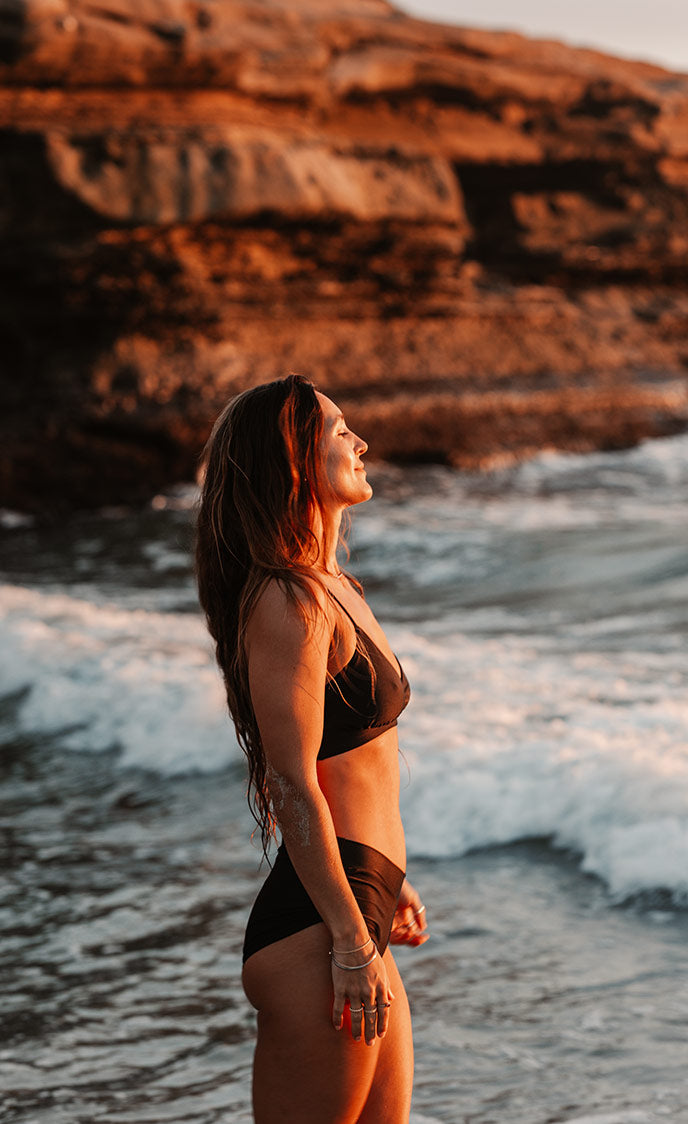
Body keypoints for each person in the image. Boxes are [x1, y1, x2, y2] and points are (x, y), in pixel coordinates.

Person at [195, 374, 429, 1123]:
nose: (360, 443)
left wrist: (392, 880)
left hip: (361, 896)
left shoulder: (334, 586)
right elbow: (292, 783)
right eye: (338, 432)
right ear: (295, 460)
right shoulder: (286, 599)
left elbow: (356, 765)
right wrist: (351, 941)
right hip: (317, 925)